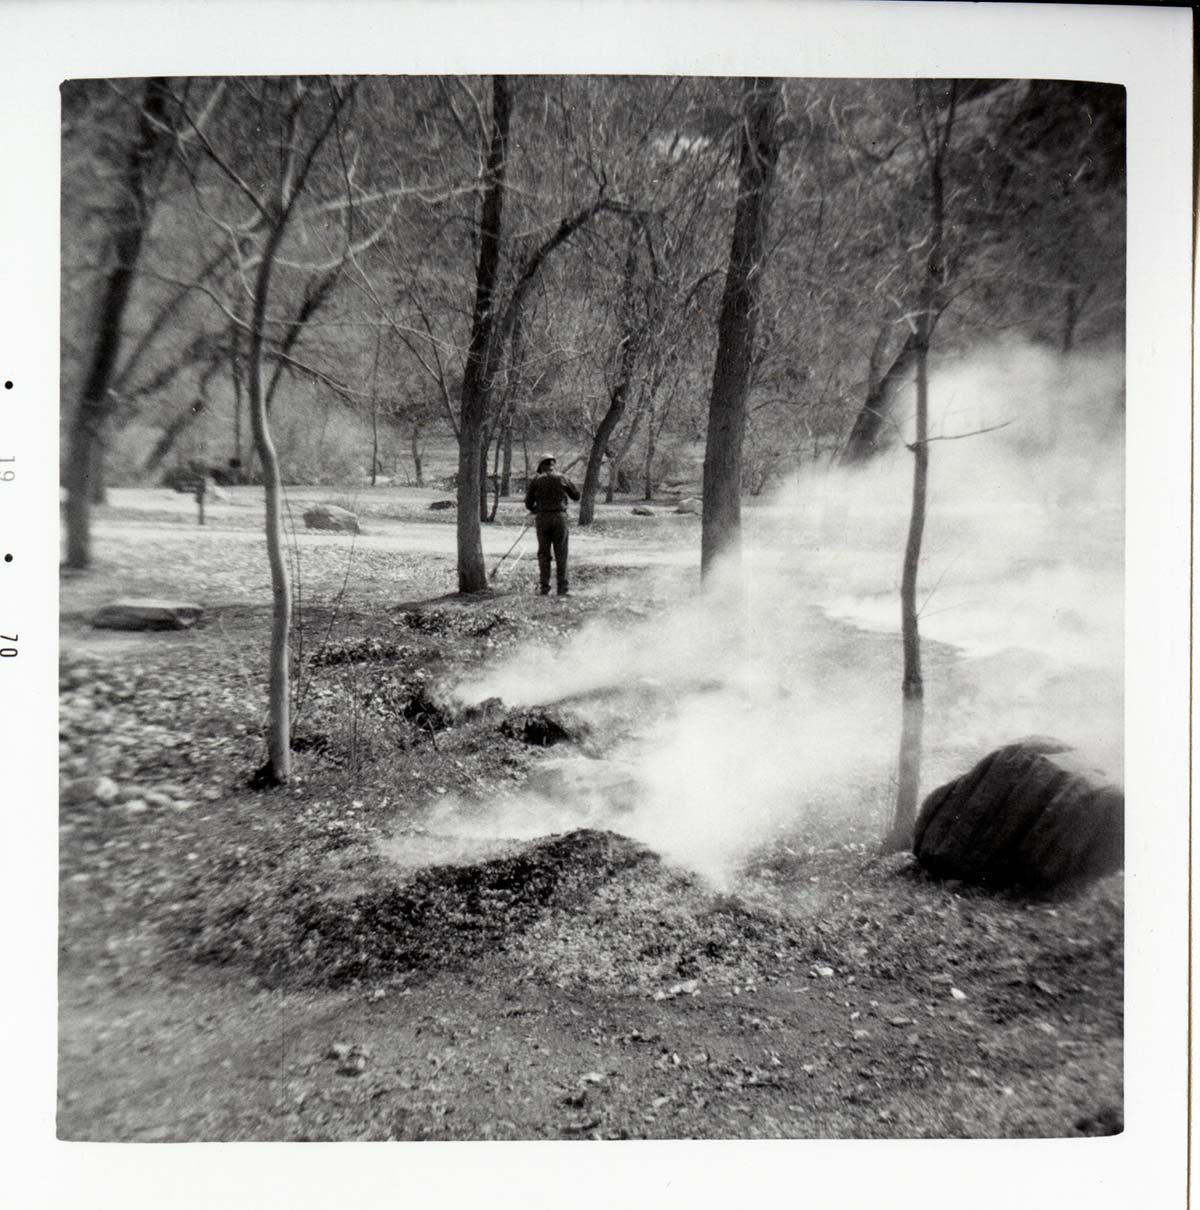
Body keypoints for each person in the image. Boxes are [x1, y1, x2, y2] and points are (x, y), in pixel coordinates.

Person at [524, 454, 581, 596]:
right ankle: (563, 589)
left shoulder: (536, 480)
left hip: (542, 519)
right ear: (552, 464)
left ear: (541, 466)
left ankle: (545, 588)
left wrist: (536, 508)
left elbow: (528, 503)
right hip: (560, 518)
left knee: (544, 554)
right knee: (561, 553)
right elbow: (576, 496)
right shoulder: (562, 477)